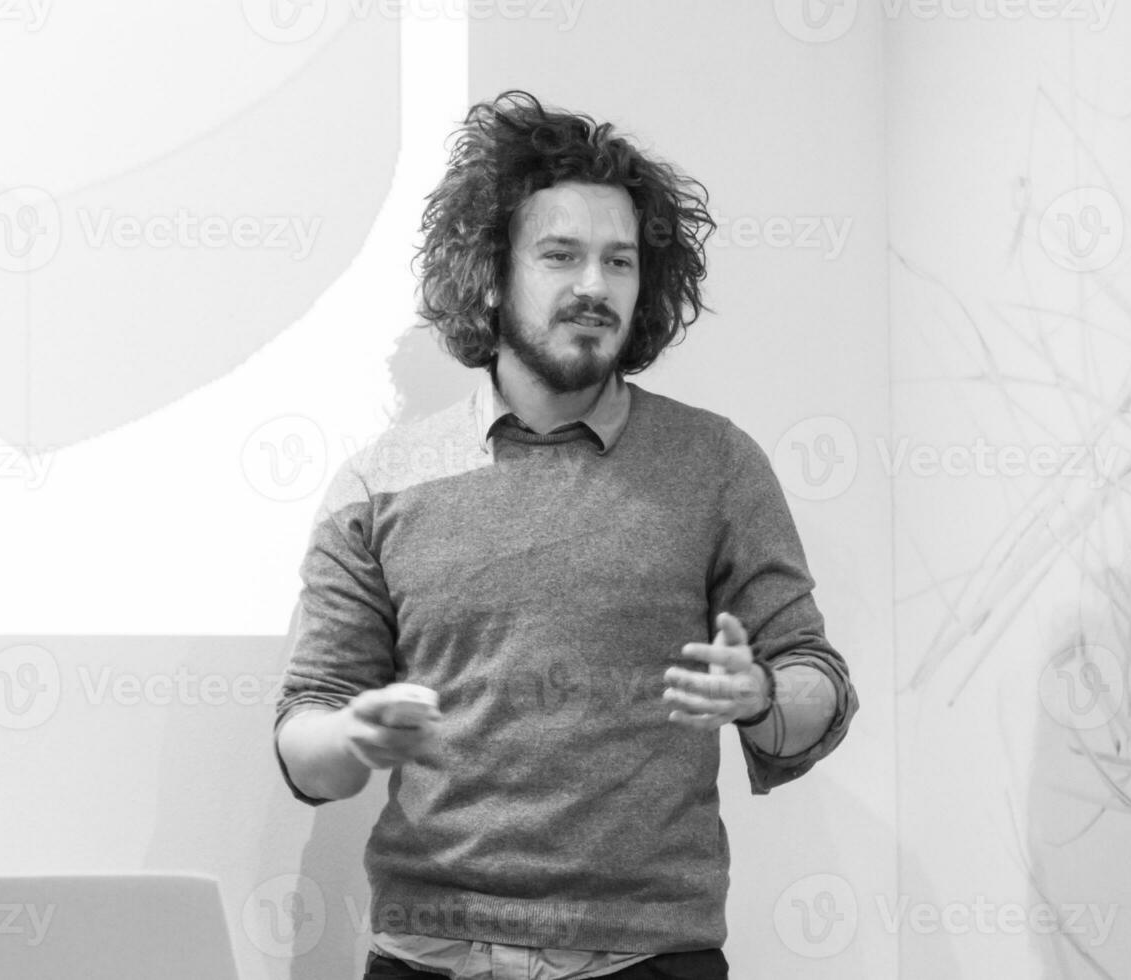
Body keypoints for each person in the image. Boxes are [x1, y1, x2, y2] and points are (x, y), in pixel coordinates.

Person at [274, 90, 859, 980]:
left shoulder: (716, 462)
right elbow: (306, 740)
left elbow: (816, 689)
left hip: (650, 958)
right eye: (560, 255)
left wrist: (760, 695)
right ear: (489, 273)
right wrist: (351, 734)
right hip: (429, 955)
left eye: (618, 263)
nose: (594, 286)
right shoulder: (377, 482)